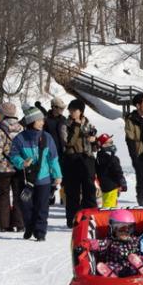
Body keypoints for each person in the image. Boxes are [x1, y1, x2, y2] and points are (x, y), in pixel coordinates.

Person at [9, 106, 62, 241]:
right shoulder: (20, 139)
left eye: (42, 120)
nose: (42, 122)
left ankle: (40, 232)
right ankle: (29, 227)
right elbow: (13, 155)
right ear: (31, 121)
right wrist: (22, 162)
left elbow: (53, 158)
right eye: (39, 120)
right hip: (26, 179)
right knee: (26, 207)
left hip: (44, 179)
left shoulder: (47, 137)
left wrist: (57, 175)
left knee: (42, 208)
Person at [60, 99, 97, 227]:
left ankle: (91, 218)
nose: (71, 112)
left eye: (74, 110)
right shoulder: (65, 124)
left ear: (81, 111)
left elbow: (95, 144)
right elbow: (68, 142)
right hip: (71, 159)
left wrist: (93, 140)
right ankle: (72, 220)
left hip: (87, 159)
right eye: (70, 109)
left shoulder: (87, 123)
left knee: (89, 190)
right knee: (72, 192)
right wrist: (76, 126)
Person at [0, 102, 25, 232]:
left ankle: (4, 224)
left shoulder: (0, 130)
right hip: (18, 167)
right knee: (18, 195)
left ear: (3, 114)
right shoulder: (22, 129)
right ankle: (20, 223)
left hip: (3, 168)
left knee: (3, 195)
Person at [84, 209, 143, 277]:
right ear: (112, 229)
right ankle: (111, 274)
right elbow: (100, 244)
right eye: (120, 229)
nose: (125, 232)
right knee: (110, 265)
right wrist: (91, 243)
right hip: (117, 266)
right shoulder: (109, 241)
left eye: (129, 228)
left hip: (133, 265)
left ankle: (141, 267)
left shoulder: (135, 240)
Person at [124, 93, 143, 206]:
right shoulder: (131, 120)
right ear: (138, 106)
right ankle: (141, 197)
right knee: (141, 177)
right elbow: (130, 140)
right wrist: (134, 157)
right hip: (139, 151)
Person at [42, 96, 68, 205]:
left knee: (64, 175)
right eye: (60, 108)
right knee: (51, 175)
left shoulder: (64, 119)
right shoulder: (45, 120)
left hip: (63, 151)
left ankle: (64, 197)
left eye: (63, 108)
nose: (62, 110)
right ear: (54, 107)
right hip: (50, 151)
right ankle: (50, 196)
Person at [95, 133, 127, 208]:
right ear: (103, 145)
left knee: (109, 205)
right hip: (111, 187)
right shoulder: (110, 158)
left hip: (106, 186)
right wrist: (121, 182)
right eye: (110, 143)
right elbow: (117, 171)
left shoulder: (100, 156)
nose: (112, 144)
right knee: (109, 208)